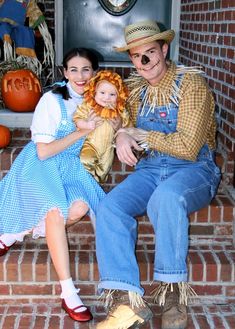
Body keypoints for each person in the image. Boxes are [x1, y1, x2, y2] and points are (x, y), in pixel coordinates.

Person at [95, 20, 221, 329]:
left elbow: (189, 147)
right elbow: (124, 125)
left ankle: (172, 294)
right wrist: (123, 135)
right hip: (151, 168)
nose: (144, 62)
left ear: (164, 49)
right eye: (137, 56)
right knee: (110, 207)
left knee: (165, 199)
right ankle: (128, 303)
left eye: (150, 52)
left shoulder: (190, 85)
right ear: (132, 60)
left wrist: (143, 136)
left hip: (194, 169)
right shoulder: (136, 91)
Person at [0, 47, 107, 323]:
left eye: (86, 69)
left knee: (81, 206)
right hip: (41, 164)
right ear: (64, 72)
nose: (80, 76)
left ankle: (17, 233)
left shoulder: (99, 99)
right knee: (55, 211)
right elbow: (44, 152)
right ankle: (68, 292)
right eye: (73, 70)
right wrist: (82, 131)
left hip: (70, 167)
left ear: (94, 71)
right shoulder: (51, 100)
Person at [73, 70, 130, 183]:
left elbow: (128, 126)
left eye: (112, 94)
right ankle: (84, 186)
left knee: (102, 174)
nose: (106, 97)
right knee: (86, 161)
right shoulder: (90, 106)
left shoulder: (119, 111)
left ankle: (94, 190)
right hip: (91, 144)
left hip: (108, 149)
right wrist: (87, 124)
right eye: (102, 93)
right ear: (94, 92)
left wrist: (120, 124)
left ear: (118, 97)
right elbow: (77, 119)